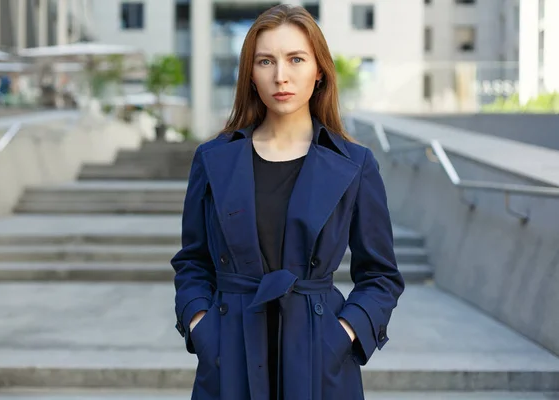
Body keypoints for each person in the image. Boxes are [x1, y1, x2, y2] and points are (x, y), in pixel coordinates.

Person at [171, 4, 405, 400]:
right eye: (266, 61)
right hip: (230, 348)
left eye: (296, 59)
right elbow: (193, 261)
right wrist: (202, 326)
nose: (281, 75)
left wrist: (341, 335)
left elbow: (381, 276)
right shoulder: (213, 159)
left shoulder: (355, 164)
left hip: (319, 352)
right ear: (250, 74)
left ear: (319, 71)